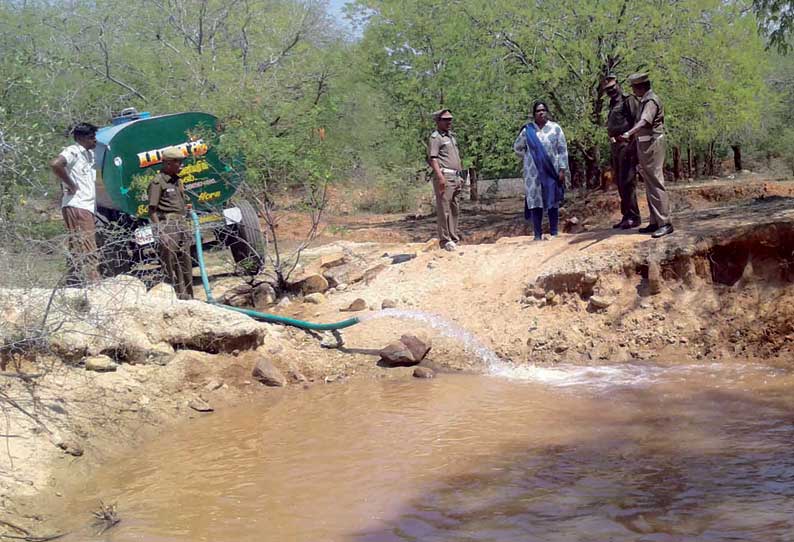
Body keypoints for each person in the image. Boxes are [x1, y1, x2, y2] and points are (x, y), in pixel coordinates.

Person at [619, 73, 674, 238]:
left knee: (656, 182)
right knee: (650, 183)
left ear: (641, 86)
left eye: (634, 87)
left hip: (652, 144)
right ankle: (655, 221)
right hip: (645, 144)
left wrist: (629, 133)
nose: (633, 90)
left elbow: (644, 121)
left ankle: (665, 223)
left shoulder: (651, 100)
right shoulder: (643, 100)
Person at [50, 122, 100, 285]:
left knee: (77, 245)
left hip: (85, 206)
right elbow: (56, 164)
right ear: (80, 138)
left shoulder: (88, 155)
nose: (94, 141)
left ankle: (73, 282)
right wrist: (71, 185)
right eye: (91, 137)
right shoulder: (73, 151)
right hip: (78, 205)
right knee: (87, 244)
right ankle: (93, 282)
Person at [513, 101, 569, 240]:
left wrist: (562, 169)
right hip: (532, 173)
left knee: (552, 199)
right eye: (538, 111)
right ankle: (537, 234)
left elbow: (562, 150)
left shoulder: (555, 128)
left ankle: (554, 232)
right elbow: (517, 148)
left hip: (551, 170)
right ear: (534, 114)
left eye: (543, 110)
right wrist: (528, 156)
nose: (541, 112)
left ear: (547, 111)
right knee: (535, 200)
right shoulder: (528, 131)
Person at [148, 147, 194, 299]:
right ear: (168, 164)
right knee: (170, 263)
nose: (181, 166)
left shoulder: (177, 181)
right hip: (168, 226)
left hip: (182, 224)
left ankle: (188, 297)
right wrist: (161, 232)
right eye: (178, 163)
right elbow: (152, 210)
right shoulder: (157, 183)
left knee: (185, 262)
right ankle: (173, 297)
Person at [604, 74, 641, 229]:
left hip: (627, 145)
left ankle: (634, 217)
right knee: (620, 183)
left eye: (612, 87)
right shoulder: (612, 104)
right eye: (607, 89)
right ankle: (626, 215)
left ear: (618, 85)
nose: (611, 90)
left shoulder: (628, 101)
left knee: (628, 181)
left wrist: (632, 145)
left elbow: (637, 123)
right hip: (616, 147)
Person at [427, 109, 463, 251]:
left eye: (450, 119)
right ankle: (445, 240)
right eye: (445, 119)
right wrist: (440, 177)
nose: (449, 122)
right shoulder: (436, 138)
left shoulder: (451, 137)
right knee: (444, 209)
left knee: (455, 209)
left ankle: (454, 238)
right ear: (438, 121)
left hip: (456, 176)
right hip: (445, 176)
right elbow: (433, 158)